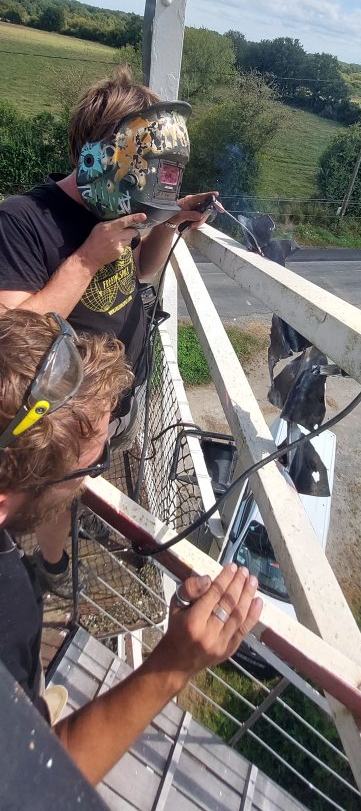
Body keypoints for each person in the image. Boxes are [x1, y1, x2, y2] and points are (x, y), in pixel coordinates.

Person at [0, 307, 262, 786]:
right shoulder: (7, 609)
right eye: (87, 469)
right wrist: (172, 663)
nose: (88, 482)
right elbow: (37, 781)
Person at [0, 66, 219, 596]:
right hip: (57, 417)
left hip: (115, 395)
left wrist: (168, 223)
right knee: (59, 490)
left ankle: (75, 515)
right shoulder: (22, 219)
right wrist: (85, 260)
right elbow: (10, 334)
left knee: (83, 481)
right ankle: (52, 566)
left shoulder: (119, 204)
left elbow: (140, 272)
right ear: (98, 155)